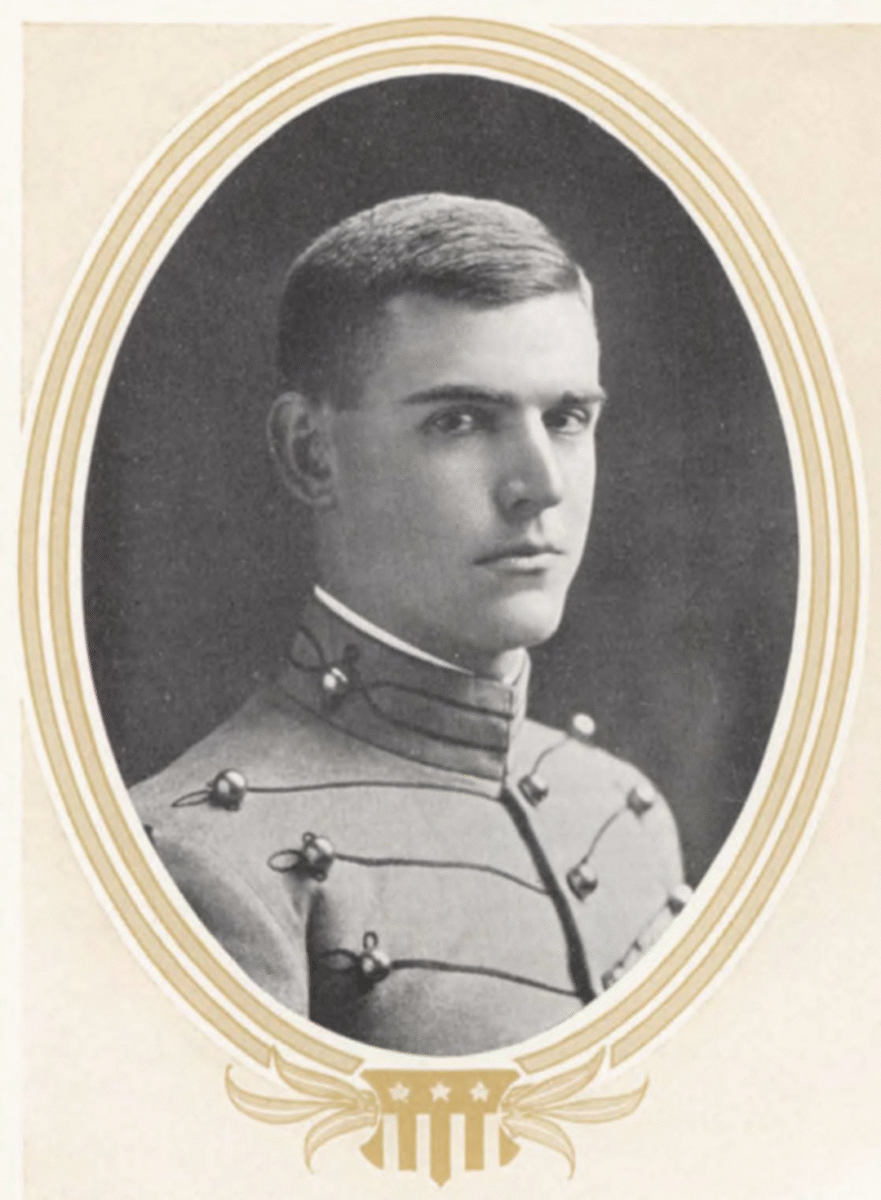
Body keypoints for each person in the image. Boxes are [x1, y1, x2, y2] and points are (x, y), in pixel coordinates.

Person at [132, 193, 689, 1055]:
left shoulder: (622, 813)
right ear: (311, 454)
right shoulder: (200, 863)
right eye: (459, 421)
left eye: (567, 419)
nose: (538, 485)